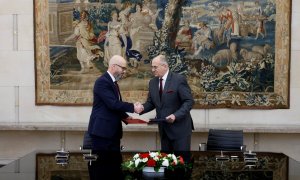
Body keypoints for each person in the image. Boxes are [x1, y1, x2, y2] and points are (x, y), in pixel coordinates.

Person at [87, 55, 143, 180]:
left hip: (111, 133)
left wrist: (132, 120)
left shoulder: (113, 83)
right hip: (102, 134)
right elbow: (113, 104)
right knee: (102, 169)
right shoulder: (102, 81)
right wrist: (133, 107)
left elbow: (115, 108)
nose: (124, 71)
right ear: (113, 66)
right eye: (123, 68)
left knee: (113, 167)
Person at [140, 54, 194, 163]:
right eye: (152, 67)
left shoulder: (179, 79)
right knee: (166, 163)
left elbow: (189, 101)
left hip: (180, 131)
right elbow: (151, 103)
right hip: (164, 131)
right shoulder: (152, 82)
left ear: (165, 66)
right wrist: (140, 108)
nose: (153, 70)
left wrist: (175, 115)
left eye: (155, 67)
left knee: (181, 164)